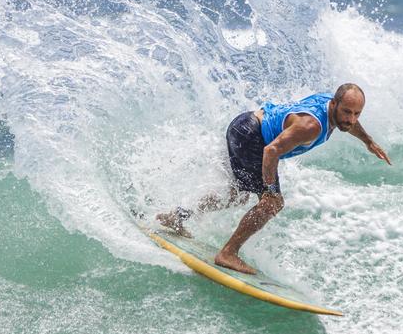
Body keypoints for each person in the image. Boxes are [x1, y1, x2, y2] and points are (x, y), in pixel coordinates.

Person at [157, 83, 391, 274]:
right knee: (273, 203)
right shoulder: (312, 126)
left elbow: (350, 122)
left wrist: (368, 141)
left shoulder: (333, 106)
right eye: (346, 112)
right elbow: (271, 151)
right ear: (334, 104)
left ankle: (176, 217)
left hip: (243, 124)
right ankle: (228, 253)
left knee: (235, 196)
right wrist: (269, 189)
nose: (350, 119)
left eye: (356, 113)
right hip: (253, 137)